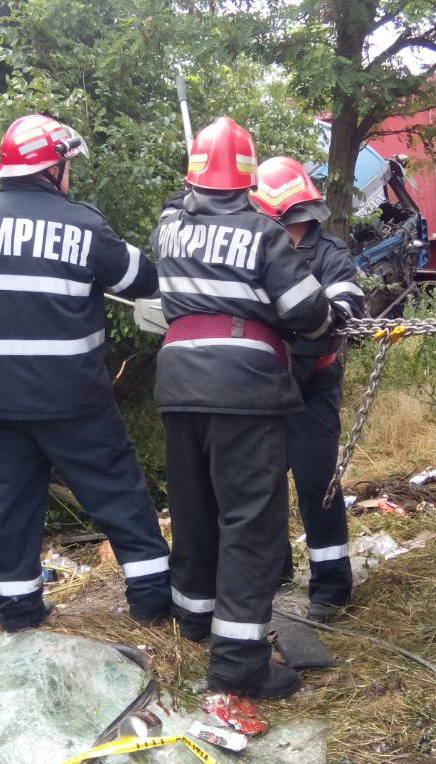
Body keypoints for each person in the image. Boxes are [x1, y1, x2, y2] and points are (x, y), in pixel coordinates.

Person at [0, 114, 170, 632]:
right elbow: (141, 277)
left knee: (9, 508)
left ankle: (17, 611)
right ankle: (152, 599)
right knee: (117, 492)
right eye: (68, 166)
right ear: (53, 167)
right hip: (74, 399)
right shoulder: (81, 223)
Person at [150, 117, 336, 699]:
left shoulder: (168, 226)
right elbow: (306, 312)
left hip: (178, 384)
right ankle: (239, 664)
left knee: (194, 507)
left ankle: (194, 619)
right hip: (245, 390)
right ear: (250, 179)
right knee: (250, 523)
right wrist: (334, 324)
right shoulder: (263, 233)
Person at [252, 156, 365, 621]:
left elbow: (349, 296)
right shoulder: (253, 248)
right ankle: (273, 572)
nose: (295, 229)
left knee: (318, 484)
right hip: (262, 386)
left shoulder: (329, 251)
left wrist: (326, 312)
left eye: (299, 219)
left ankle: (331, 587)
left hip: (313, 387)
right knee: (263, 484)